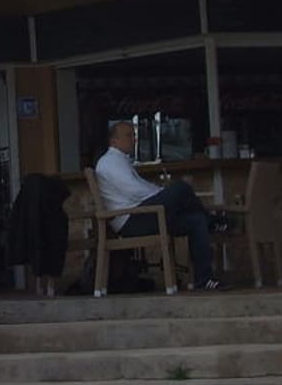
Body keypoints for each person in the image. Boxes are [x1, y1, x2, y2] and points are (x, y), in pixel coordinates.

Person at [94, 121, 223, 291]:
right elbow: (135, 191)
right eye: (128, 135)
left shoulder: (121, 160)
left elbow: (141, 190)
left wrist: (163, 194)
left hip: (143, 214)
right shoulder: (110, 162)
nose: (133, 139)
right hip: (131, 220)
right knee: (181, 188)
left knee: (197, 220)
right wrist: (164, 194)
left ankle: (204, 279)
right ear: (114, 140)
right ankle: (214, 222)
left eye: (134, 135)